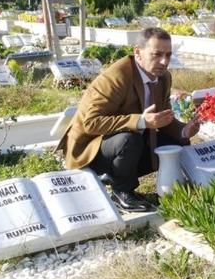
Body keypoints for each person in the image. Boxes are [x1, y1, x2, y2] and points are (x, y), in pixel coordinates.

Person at [57, 28, 201, 212]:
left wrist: (184, 130)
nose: (164, 61)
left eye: (168, 55)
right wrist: (141, 121)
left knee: (175, 141)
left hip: (126, 143)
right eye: (156, 55)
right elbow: (91, 123)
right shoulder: (116, 77)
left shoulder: (163, 77)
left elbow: (164, 118)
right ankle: (121, 192)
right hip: (90, 149)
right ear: (137, 53)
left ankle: (170, 186)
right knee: (129, 140)